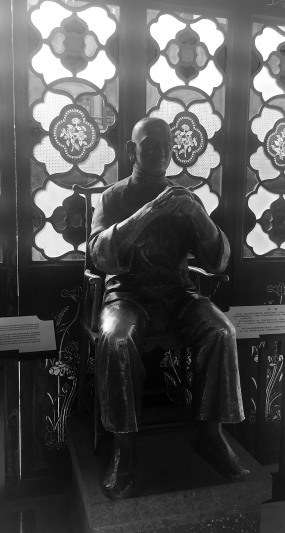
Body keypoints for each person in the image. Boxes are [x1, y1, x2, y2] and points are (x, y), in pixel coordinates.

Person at [89, 117, 249, 500]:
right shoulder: (113, 198)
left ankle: (212, 433)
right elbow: (99, 255)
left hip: (178, 294)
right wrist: (148, 213)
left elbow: (219, 261)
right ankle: (124, 449)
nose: (161, 153)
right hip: (128, 295)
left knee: (221, 331)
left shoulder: (185, 198)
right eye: (151, 146)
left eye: (167, 147)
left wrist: (198, 215)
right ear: (132, 151)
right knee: (116, 339)